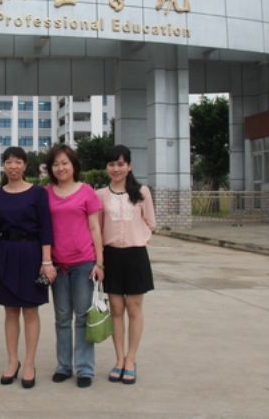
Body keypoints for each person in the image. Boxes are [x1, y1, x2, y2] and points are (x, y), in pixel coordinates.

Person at [0, 146, 55, 389]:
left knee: (30, 310)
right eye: (9, 162)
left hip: (32, 253)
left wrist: (46, 261)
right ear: (4, 166)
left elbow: (46, 229)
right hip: (6, 253)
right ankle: (12, 361)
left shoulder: (38, 193)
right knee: (10, 310)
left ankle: (29, 362)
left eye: (18, 161)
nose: (13, 166)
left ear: (25, 165)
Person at [44, 145, 104, 388]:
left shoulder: (87, 191)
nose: (60, 168)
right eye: (56, 164)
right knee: (61, 318)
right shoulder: (46, 193)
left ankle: (85, 369)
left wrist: (100, 262)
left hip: (83, 263)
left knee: (82, 317)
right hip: (57, 265)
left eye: (65, 163)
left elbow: (95, 228)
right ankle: (63, 366)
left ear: (73, 165)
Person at [95, 144, 156, 386]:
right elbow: (97, 229)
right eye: (111, 164)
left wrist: (137, 238)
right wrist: (100, 261)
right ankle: (119, 359)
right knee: (116, 309)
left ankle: (131, 359)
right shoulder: (100, 195)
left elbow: (150, 222)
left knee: (134, 308)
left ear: (129, 166)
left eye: (120, 164)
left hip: (135, 255)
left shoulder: (141, 192)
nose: (116, 169)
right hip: (111, 256)